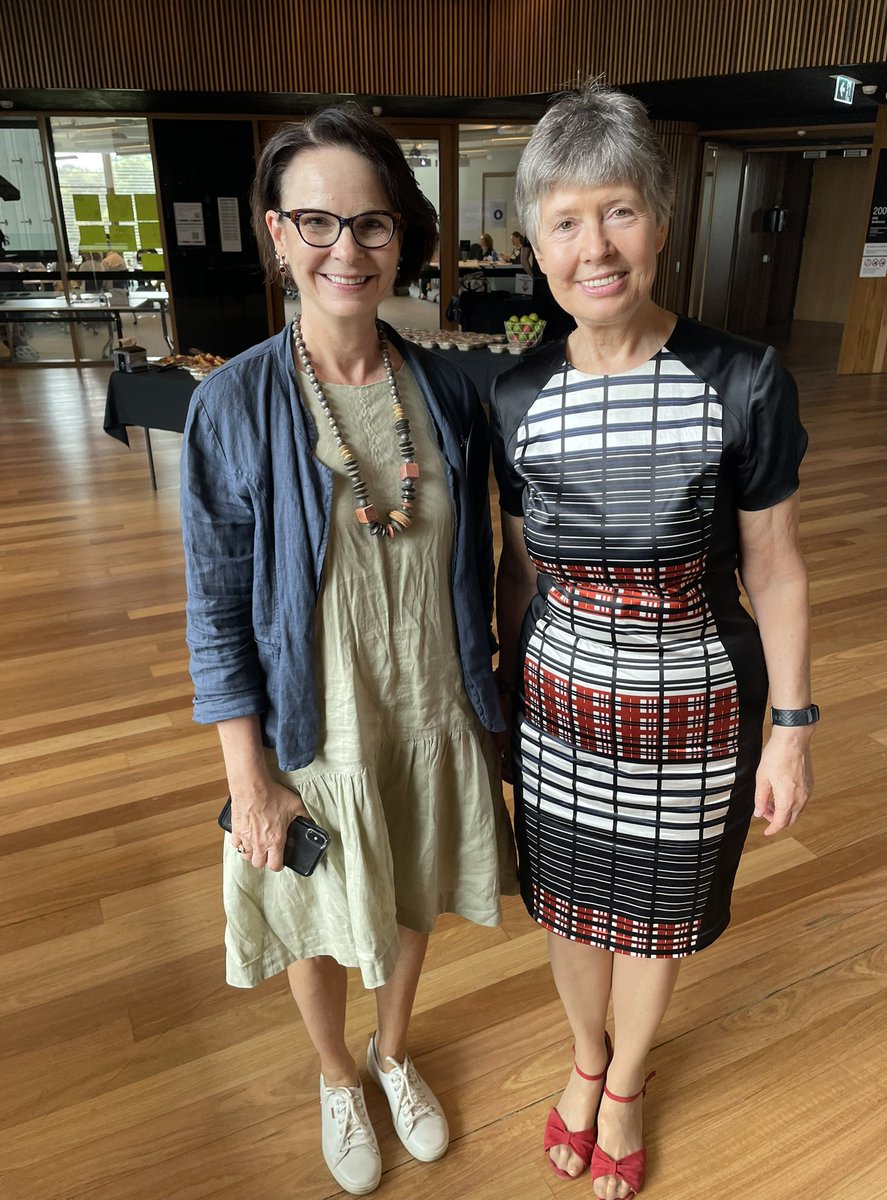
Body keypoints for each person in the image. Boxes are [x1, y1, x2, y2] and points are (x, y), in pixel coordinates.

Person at [180, 105, 516, 1197]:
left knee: (411, 892)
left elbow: (494, 560)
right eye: (317, 222)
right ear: (276, 235)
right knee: (321, 911)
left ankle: (394, 1051)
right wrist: (251, 784)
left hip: (428, 706)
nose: (347, 250)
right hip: (308, 723)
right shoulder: (230, 404)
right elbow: (217, 605)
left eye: (371, 224)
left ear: (401, 239)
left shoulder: (451, 392)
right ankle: (336, 1073)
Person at [490, 83, 816, 1200]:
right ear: (535, 242)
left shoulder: (741, 378)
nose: (596, 247)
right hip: (557, 703)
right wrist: (501, 696)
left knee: (659, 907)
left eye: (619, 211)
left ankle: (626, 1080)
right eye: (566, 222)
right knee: (571, 901)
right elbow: (520, 561)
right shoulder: (518, 391)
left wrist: (791, 730)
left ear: (662, 223)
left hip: (695, 700)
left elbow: (773, 564)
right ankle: (586, 1057)